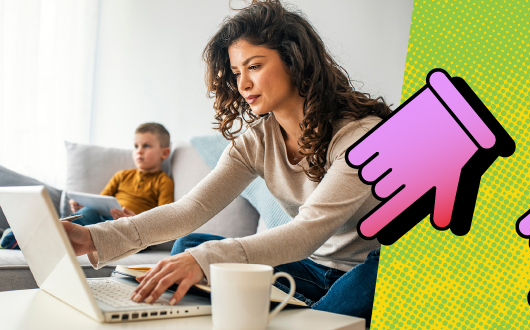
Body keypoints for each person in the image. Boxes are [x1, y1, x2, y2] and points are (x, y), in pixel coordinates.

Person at [62, 1, 391, 325]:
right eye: (236, 72)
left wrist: (205, 261)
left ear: (295, 61)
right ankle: (298, 305)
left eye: (254, 66)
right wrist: (93, 237)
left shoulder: (360, 135)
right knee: (190, 246)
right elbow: (190, 209)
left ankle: (307, 309)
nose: (243, 84)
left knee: (208, 261)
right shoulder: (257, 140)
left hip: (370, 267)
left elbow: (308, 231)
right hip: (311, 267)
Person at [0, 122, 174, 249]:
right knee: (88, 213)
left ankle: (26, 238)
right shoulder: (122, 175)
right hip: (101, 218)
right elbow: (102, 201)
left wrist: (135, 220)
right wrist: (83, 205)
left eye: (146, 146)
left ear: (164, 153)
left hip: (131, 229)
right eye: (136, 146)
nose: (139, 151)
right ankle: (27, 236)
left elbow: (164, 216)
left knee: (94, 231)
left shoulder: (163, 181)